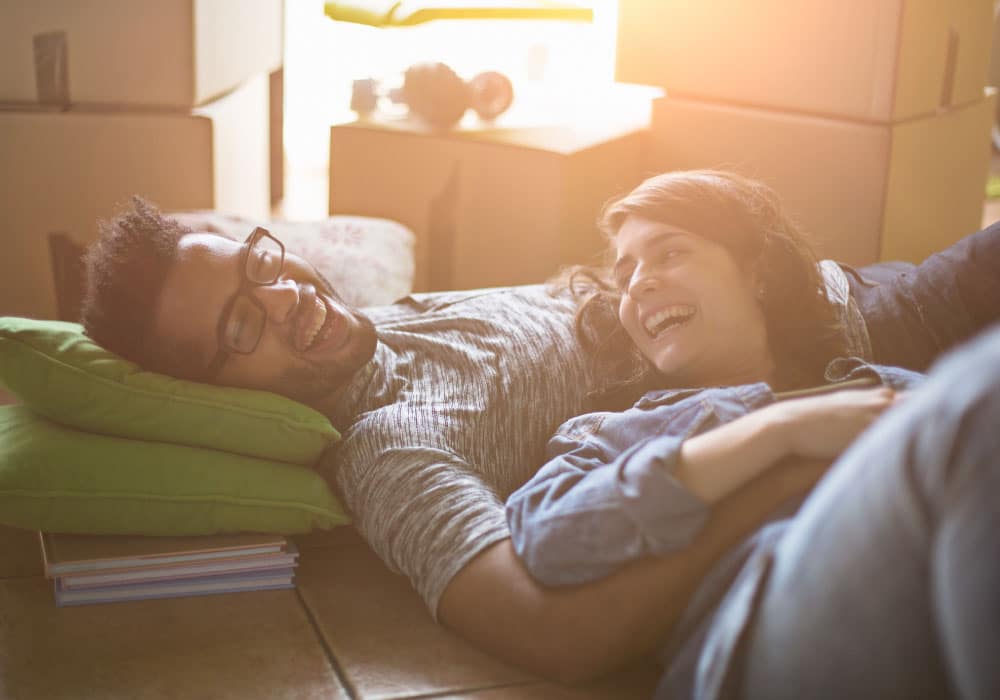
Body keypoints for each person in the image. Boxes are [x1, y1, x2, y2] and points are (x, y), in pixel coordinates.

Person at [79, 170, 999, 683]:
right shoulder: (392, 449)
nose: (283, 297)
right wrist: (791, 455)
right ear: (223, 394)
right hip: (860, 388)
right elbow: (553, 632)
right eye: (241, 326)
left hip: (853, 311)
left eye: (258, 265)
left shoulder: (395, 315)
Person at [504, 170, 1000, 697]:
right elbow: (547, 533)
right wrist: (779, 430)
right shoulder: (613, 433)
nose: (639, 283)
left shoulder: (877, 386)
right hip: (760, 645)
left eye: (669, 254)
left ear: (757, 271)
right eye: (626, 278)